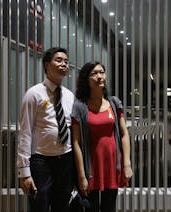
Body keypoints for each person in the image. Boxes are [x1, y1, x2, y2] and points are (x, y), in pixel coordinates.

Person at [17, 47, 75, 212]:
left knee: (62, 205)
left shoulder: (69, 96)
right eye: (58, 60)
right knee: (39, 206)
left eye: (66, 61)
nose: (63, 64)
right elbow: (25, 133)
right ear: (46, 65)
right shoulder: (34, 94)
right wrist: (24, 172)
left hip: (65, 159)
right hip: (41, 161)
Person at [71, 62, 133, 212]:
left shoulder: (114, 103)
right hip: (91, 168)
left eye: (102, 72)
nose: (99, 77)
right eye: (94, 73)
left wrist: (126, 164)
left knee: (109, 207)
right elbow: (76, 143)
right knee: (91, 208)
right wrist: (81, 176)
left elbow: (124, 134)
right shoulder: (80, 106)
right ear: (86, 79)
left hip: (112, 165)